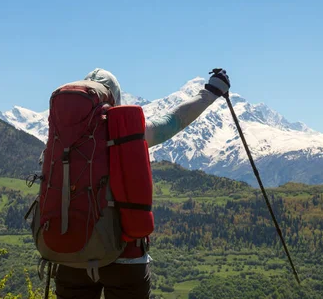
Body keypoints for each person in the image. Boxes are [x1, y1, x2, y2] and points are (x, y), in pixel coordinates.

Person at [54, 67, 231, 299]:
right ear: (114, 98)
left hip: (71, 255)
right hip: (127, 256)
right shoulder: (129, 132)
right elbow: (173, 120)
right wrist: (211, 92)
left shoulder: (60, 140)